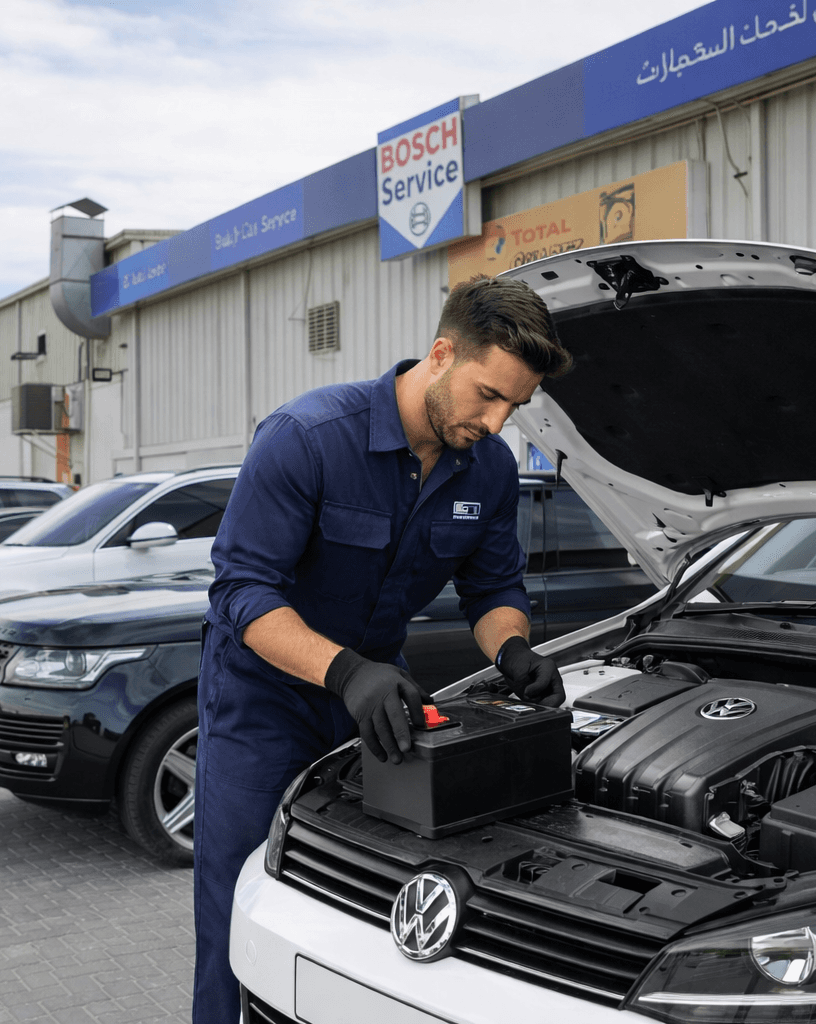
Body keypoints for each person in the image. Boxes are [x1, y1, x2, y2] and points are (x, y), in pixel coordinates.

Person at [191, 275, 574, 1023]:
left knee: (373, 903)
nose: (497, 423)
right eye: (488, 395)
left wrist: (513, 652)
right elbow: (241, 593)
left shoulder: (488, 469)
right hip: (263, 702)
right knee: (237, 905)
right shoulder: (307, 439)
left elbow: (492, 590)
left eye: (516, 407)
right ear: (440, 355)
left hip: (376, 703)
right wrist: (343, 671)